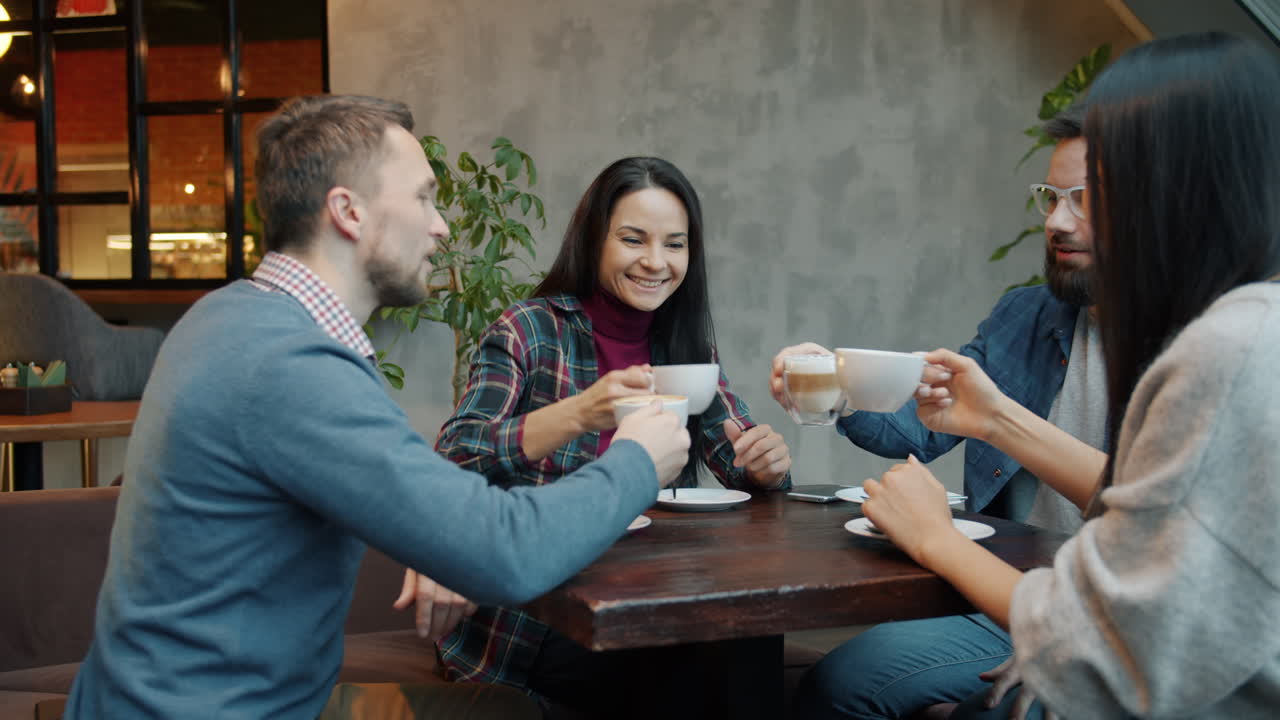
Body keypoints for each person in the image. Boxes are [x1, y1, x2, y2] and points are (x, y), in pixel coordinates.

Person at [64, 96, 691, 718]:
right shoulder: (289, 365)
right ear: (349, 212)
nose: (441, 225)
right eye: (422, 196)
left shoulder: (232, 317)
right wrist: (638, 456)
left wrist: (442, 540)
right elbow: (507, 553)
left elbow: (424, 503)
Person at [862, 32, 1280, 718]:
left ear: (1185, 185)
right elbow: (1159, 517)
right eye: (1053, 197)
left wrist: (935, 536)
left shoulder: (1229, 352)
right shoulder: (1248, 330)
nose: (1059, 221)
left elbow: (1103, 656)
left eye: (1098, 188)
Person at [400, 156, 794, 718]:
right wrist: (581, 412)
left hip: (654, 595)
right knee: (700, 666)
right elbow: (456, 456)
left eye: (675, 245)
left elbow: (738, 461)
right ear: (595, 241)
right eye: (634, 239)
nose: (655, 262)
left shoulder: (683, 346)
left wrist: (765, 465)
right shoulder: (530, 330)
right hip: (539, 613)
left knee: (741, 640)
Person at [786, 103, 1105, 718]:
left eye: (1084, 199)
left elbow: (1153, 512)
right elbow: (920, 428)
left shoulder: (1197, 350)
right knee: (838, 683)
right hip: (1002, 596)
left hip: (1107, 620)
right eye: (1050, 197)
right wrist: (835, 383)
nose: (1056, 222)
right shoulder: (1026, 316)